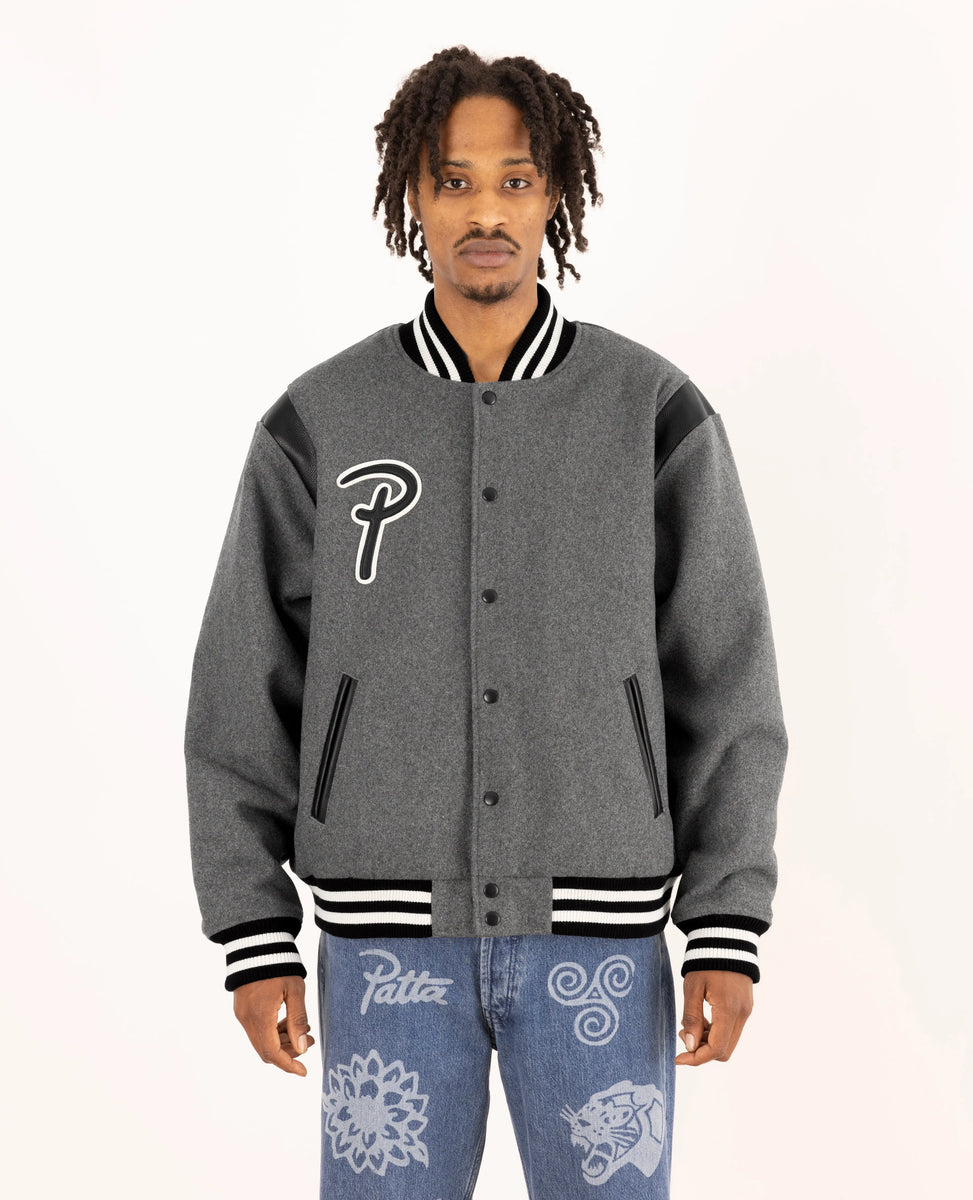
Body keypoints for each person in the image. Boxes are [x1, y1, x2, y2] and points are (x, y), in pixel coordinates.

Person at [184, 45, 788, 1199]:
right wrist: (253, 935)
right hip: (382, 953)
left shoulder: (650, 415)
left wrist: (725, 921)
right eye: (453, 181)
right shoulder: (322, 422)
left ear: (554, 192)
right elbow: (238, 690)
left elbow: (728, 679)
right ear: (411, 196)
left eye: (514, 180)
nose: (486, 212)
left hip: (601, 948)